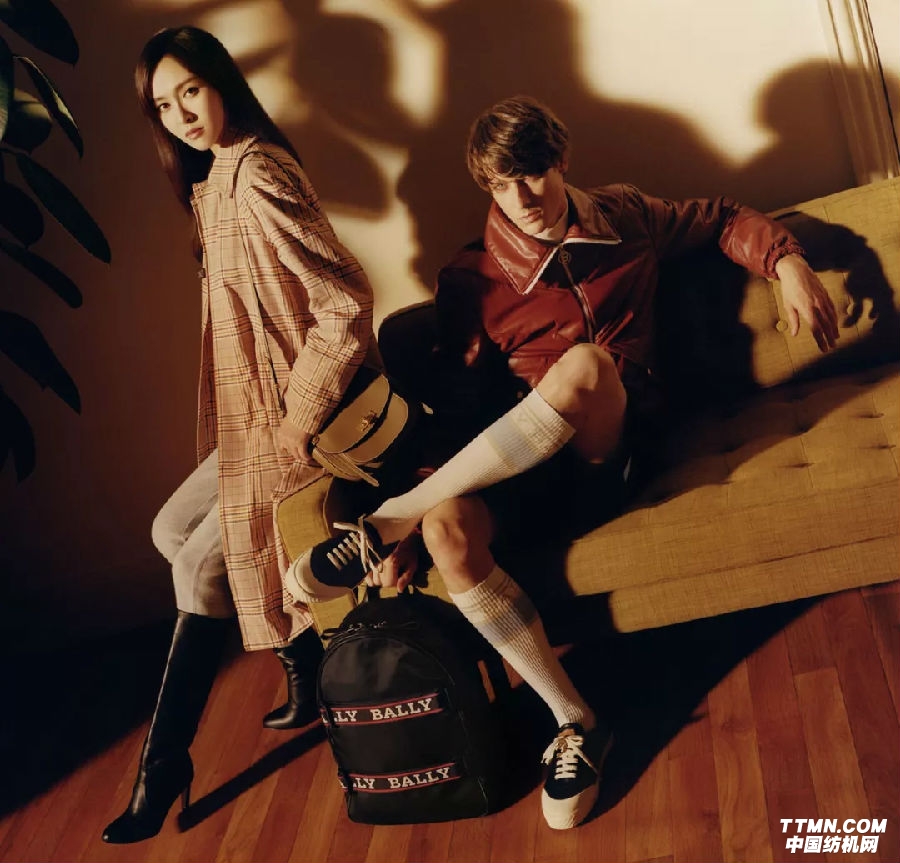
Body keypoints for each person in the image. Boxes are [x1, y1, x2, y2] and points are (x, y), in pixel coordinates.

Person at [286, 95, 840, 830]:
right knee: (448, 529)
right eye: (502, 185)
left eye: (533, 174)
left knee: (584, 365)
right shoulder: (472, 280)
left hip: (611, 458)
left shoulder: (625, 217)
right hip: (518, 473)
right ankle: (574, 721)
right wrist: (423, 522)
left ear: (562, 161)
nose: (522, 198)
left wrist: (787, 261)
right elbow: (459, 414)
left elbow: (722, 217)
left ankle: (387, 520)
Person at [102, 26, 379, 843]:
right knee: (171, 531)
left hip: (294, 422)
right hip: (250, 417)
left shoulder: (256, 172)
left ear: (220, 80)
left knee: (198, 566)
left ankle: (162, 765)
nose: (182, 114)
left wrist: (298, 420)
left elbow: (345, 302)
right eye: (163, 105)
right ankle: (301, 662)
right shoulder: (213, 177)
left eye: (190, 90)